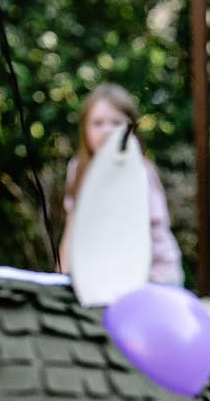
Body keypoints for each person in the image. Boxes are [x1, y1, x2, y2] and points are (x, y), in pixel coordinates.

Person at [59, 84, 182, 285]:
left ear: (132, 130)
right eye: (97, 123)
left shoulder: (141, 172)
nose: (107, 130)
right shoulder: (78, 169)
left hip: (153, 277)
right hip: (103, 280)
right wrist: (62, 279)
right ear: (85, 129)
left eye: (116, 123)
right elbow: (72, 230)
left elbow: (144, 236)